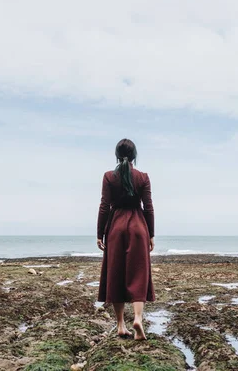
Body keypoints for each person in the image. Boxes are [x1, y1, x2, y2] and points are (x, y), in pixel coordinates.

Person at [97, 138, 155, 341]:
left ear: (116, 155)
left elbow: (104, 206)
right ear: (134, 156)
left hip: (116, 227)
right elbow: (148, 207)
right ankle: (138, 318)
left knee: (116, 274)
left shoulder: (108, 177)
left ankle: (121, 325)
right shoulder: (143, 177)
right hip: (139, 227)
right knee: (139, 273)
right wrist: (151, 234)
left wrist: (99, 233)